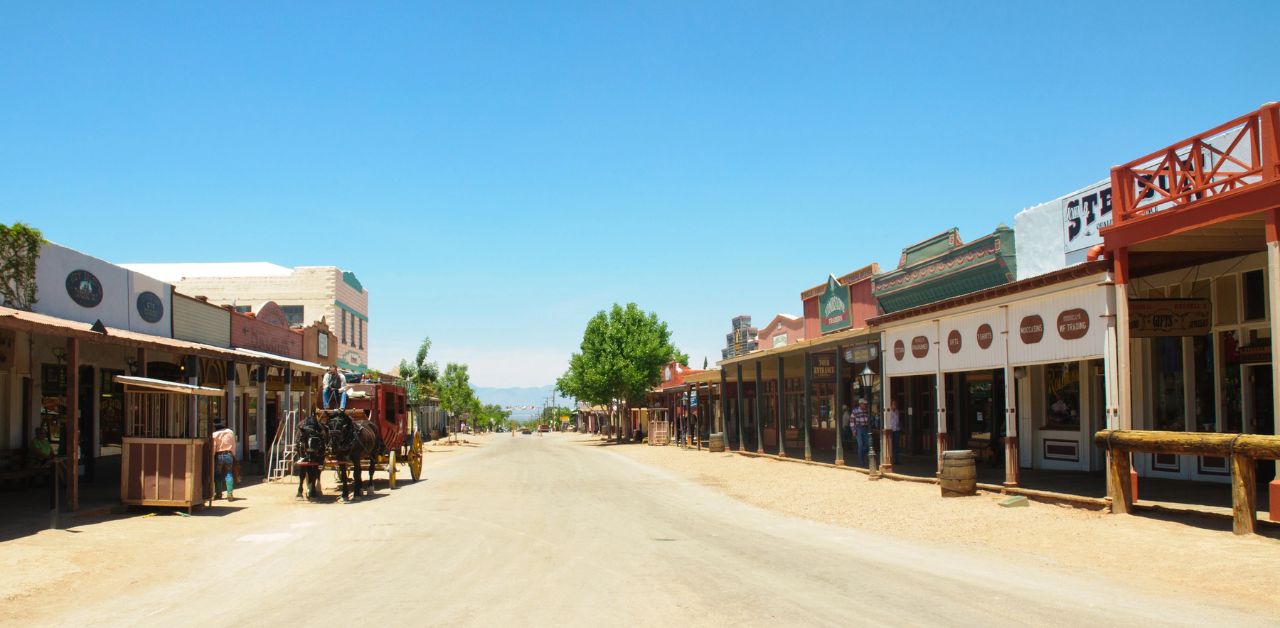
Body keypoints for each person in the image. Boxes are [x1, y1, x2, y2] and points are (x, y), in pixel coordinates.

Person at [212, 419, 236, 501]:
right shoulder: (230, 432)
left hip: (219, 455)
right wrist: (233, 454)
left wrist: (212, 455)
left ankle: (218, 494)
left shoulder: (214, 434)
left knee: (217, 474)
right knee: (229, 473)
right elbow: (233, 444)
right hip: (229, 454)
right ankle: (229, 494)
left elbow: (214, 447)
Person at [852, 398, 871, 467]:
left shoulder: (866, 411)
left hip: (865, 428)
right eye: (864, 404)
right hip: (858, 428)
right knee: (860, 445)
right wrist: (854, 430)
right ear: (860, 404)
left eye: (865, 404)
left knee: (867, 444)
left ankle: (862, 456)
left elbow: (868, 420)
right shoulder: (855, 411)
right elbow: (852, 421)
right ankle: (861, 462)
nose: (865, 405)